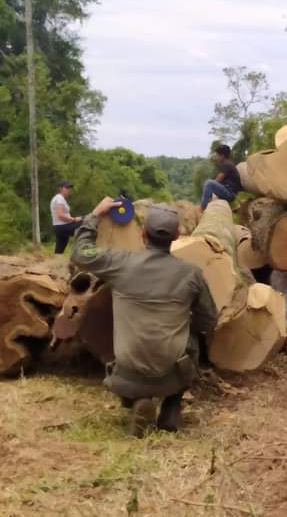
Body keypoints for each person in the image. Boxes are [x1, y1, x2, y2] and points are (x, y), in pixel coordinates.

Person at [71, 197, 218, 436]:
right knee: (191, 337)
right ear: (177, 235)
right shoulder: (191, 274)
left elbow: (80, 253)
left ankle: (134, 399)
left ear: (142, 233)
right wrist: (184, 324)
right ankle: (171, 406)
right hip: (172, 376)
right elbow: (209, 320)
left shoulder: (120, 264)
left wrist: (95, 214)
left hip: (125, 373)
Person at [200, 144, 243, 210]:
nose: (217, 157)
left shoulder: (226, 164)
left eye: (217, 155)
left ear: (222, 156)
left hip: (230, 193)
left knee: (209, 183)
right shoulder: (228, 163)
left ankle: (203, 207)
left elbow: (218, 180)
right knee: (210, 184)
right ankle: (208, 202)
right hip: (229, 191)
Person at [50, 180, 83, 254]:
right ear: (60, 188)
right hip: (63, 226)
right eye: (67, 187)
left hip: (58, 227)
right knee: (85, 226)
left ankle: (54, 263)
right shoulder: (59, 198)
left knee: (59, 251)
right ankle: (79, 254)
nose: (69, 189)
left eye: (70, 188)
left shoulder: (58, 198)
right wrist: (74, 219)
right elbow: (60, 215)